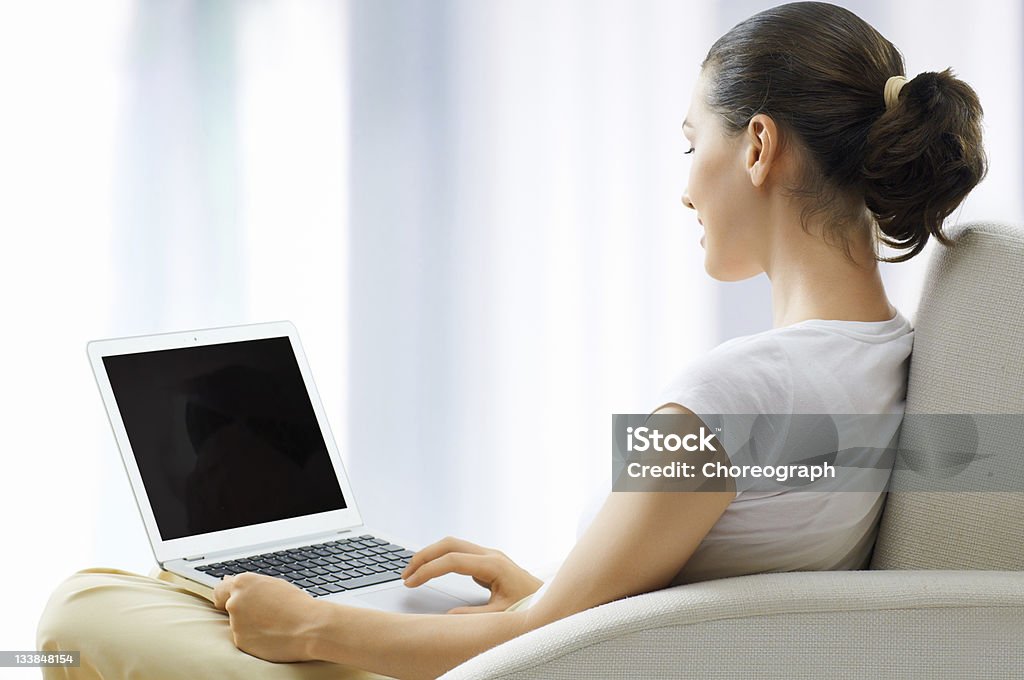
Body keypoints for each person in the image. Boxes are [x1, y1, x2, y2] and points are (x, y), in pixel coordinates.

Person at [37, 3, 987, 678]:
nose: (684, 184)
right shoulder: (893, 365)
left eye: (688, 139)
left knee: (84, 607)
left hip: (517, 671)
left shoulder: (725, 397)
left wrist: (315, 628)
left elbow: (537, 638)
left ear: (758, 146)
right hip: (574, 656)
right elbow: (674, 598)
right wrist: (545, 587)